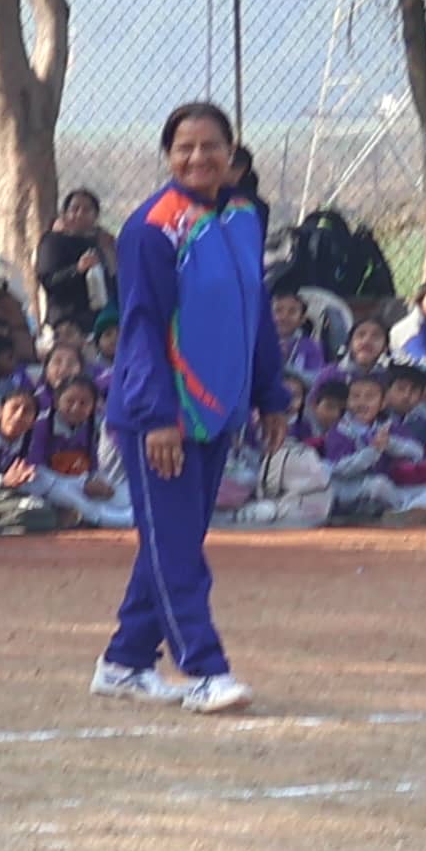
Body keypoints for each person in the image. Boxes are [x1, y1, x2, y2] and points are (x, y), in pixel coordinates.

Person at [101, 99, 288, 713]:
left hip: (217, 412)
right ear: (168, 156)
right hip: (161, 417)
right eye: (184, 147)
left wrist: (270, 395)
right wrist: (158, 417)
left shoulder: (244, 218)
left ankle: (125, 662)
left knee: (171, 541)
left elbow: (256, 314)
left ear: (232, 155)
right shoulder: (152, 228)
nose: (198, 157)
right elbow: (141, 327)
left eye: (211, 146)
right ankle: (205, 670)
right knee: (179, 550)